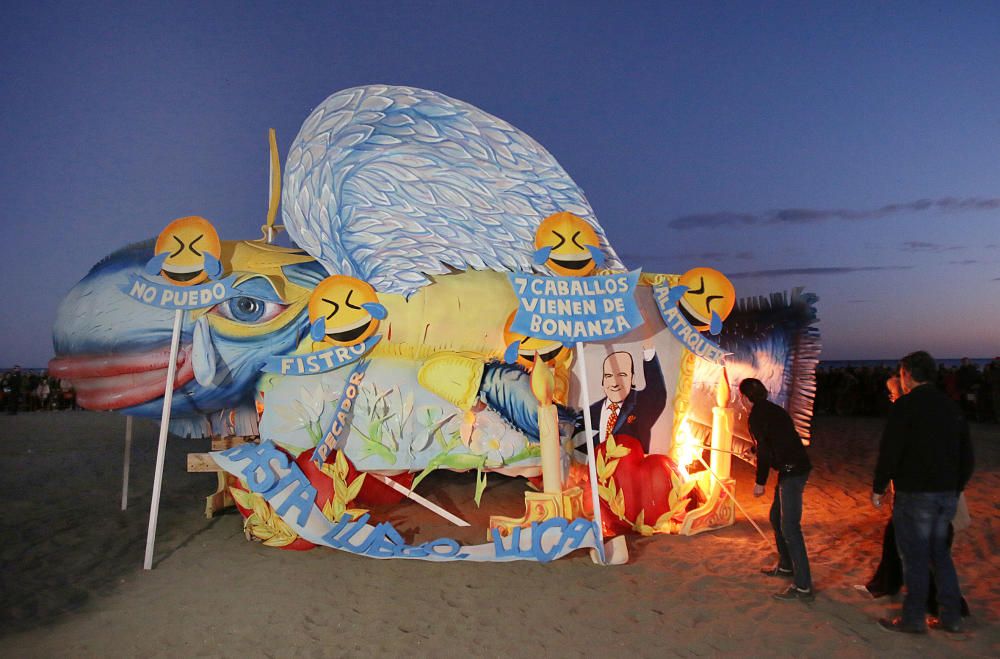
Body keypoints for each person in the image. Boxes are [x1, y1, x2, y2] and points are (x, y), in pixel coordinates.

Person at [872, 351, 975, 634]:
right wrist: (956, 487)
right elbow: (967, 455)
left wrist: (879, 486)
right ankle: (951, 616)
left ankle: (914, 619)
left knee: (915, 558)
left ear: (907, 375)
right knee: (940, 555)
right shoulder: (950, 406)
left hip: (916, 493)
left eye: (902, 374)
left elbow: (891, 450)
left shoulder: (906, 406)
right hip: (946, 493)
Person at [740, 377, 814, 602]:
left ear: (745, 397)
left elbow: (765, 451)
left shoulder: (757, 416)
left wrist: (760, 481)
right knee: (775, 517)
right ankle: (785, 566)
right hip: (792, 468)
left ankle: (803, 586)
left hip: (793, 471)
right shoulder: (772, 410)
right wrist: (754, 450)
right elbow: (773, 441)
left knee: (790, 527)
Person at [587, 349, 666, 453]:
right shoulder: (590, 412)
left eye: (622, 375)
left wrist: (648, 346)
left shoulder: (641, 403)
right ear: (603, 380)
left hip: (632, 468)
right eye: (608, 376)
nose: (614, 383)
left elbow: (657, 391)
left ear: (632, 378)